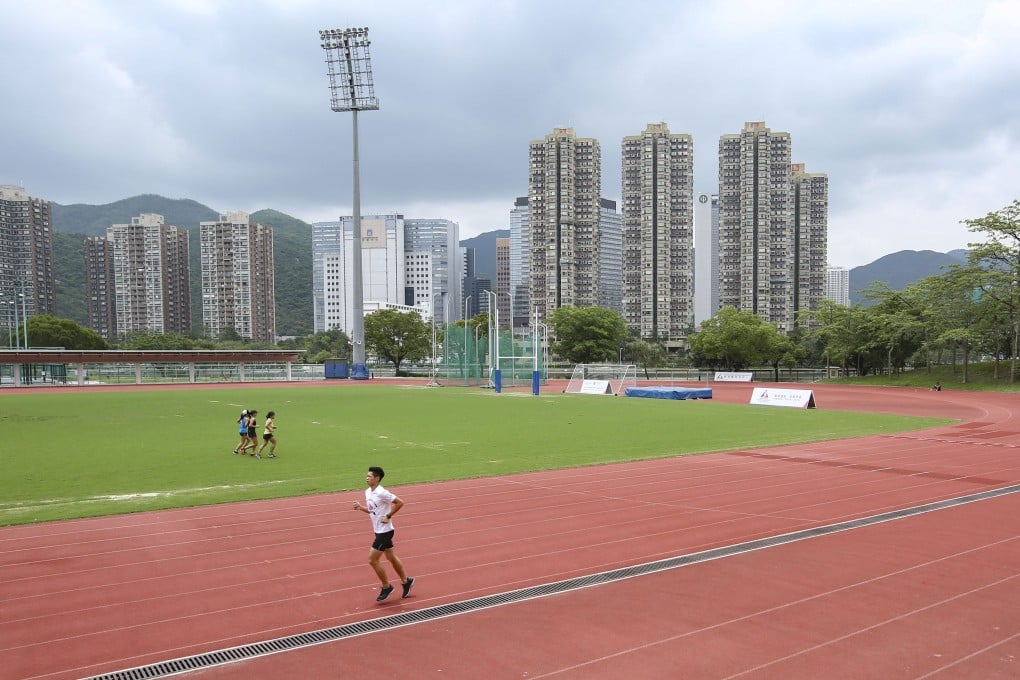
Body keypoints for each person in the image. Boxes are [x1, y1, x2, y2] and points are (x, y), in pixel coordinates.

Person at [352, 466, 415, 602]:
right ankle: (406, 581)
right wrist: (361, 507)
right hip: (378, 530)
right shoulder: (368, 492)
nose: (366, 478)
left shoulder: (382, 492)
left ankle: (387, 587)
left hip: (385, 532)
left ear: (377, 478)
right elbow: (372, 510)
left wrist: (388, 515)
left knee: (372, 560)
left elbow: (400, 502)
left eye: (369, 476)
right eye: (366, 476)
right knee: (391, 557)